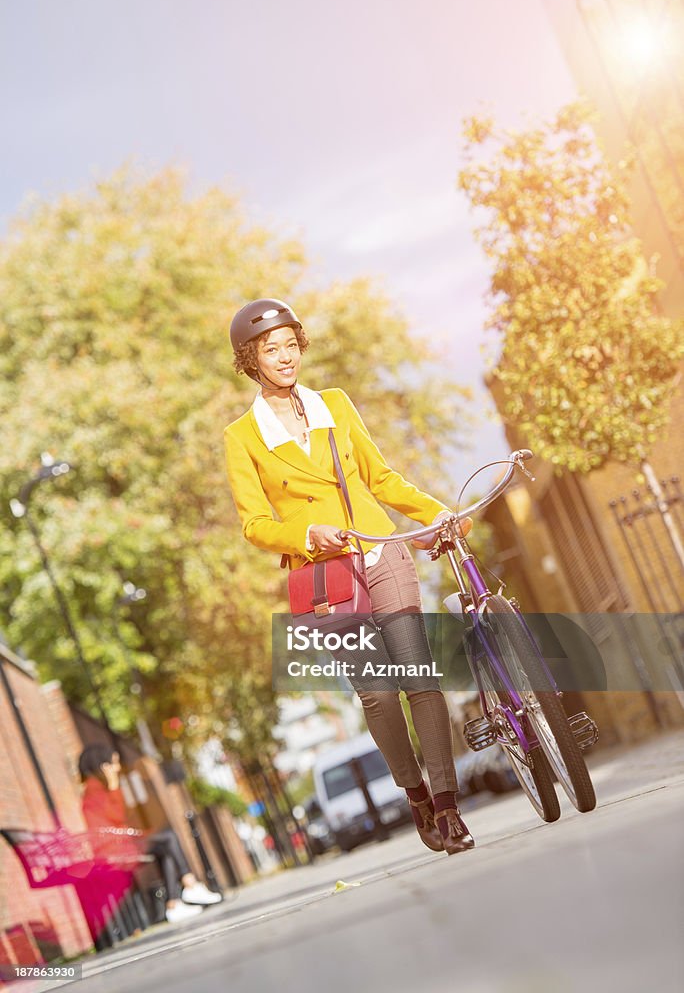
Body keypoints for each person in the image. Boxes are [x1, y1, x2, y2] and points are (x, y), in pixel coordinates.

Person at [223, 298, 475, 855]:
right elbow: (254, 524)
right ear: (251, 359)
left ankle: (450, 804)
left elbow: (381, 478)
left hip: (382, 553)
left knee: (420, 679)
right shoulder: (242, 436)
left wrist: (433, 512)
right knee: (380, 696)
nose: (286, 357)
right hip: (326, 577)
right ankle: (416, 794)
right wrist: (307, 534)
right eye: (272, 349)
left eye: (292, 345)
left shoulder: (334, 404)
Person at [78, 744, 222, 923]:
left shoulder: (98, 789)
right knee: (168, 838)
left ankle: (174, 905)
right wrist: (114, 786)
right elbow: (117, 816)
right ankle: (189, 885)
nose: (118, 768)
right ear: (103, 767)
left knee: (165, 845)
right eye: (114, 764)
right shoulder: (94, 791)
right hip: (112, 851)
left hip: (120, 845)